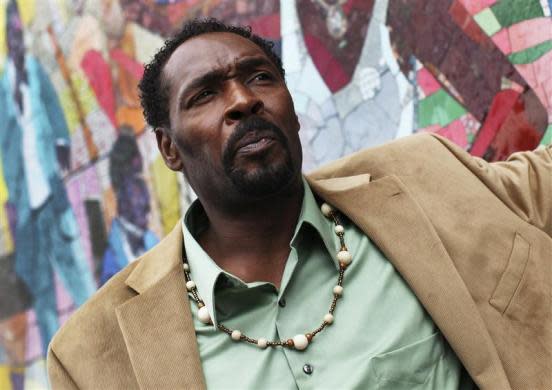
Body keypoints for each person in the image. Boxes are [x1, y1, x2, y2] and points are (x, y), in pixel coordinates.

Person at [47, 18, 551, 389]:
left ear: (294, 112)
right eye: (204, 95)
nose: (243, 99)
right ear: (169, 148)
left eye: (261, 77)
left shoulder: (421, 182)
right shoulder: (93, 354)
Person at [0, 0, 96, 357]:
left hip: (53, 200)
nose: (18, 39)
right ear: (7, 41)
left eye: (19, 32)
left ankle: (102, 339)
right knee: (42, 293)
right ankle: (59, 363)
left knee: (78, 275)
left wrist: (61, 144)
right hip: (27, 211)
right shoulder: (3, 88)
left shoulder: (36, 73)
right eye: (11, 34)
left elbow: (56, 112)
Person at [100, 130, 159, 285]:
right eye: (137, 184)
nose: (146, 200)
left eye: (143, 182)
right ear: (121, 195)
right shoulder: (111, 267)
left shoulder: (153, 242)